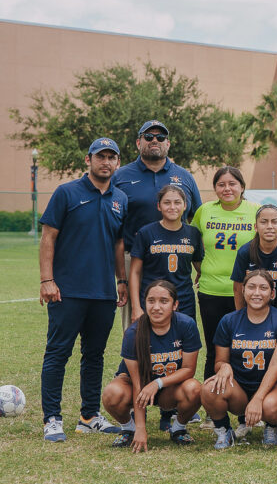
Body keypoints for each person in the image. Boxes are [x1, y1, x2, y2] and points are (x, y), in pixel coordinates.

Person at [39, 137, 128, 442]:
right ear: (88, 160)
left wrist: (121, 280)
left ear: (117, 162)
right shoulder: (67, 192)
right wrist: (47, 280)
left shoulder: (121, 199)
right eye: (100, 156)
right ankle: (52, 418)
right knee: (57, 353)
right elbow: (48, 236)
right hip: (67, 291)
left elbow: (118, 243)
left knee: (94, 355)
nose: (106, 162)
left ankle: (89, 416)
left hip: (103, 293)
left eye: (112, 157)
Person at [113, 120, 203, 316]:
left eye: (160, 137)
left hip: (176, 253)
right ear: (138, 143)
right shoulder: (120, 176)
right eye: (149, 137)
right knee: (137, 320)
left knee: (179, 320)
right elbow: (112, 224)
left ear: (168, 144)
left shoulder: (184, 176)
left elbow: (197, 217)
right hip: (134, 258)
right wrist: (121, 277)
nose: (155, 140)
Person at [100, 280, 203, 451]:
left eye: (164, 301)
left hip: (168, 387)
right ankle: (128, 428)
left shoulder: (186, 325)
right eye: (151, 301)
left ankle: (178, 428)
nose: (156, 307)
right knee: (112, 393)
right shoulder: (134, 333)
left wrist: (158, 383)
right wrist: (141, 428)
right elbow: (138, 384)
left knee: (195, 389)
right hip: (136, 385)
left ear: (175, 305)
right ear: (144, 303)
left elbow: (188, 370)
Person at [201, 270, 277, 449]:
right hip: (240, 388)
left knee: (271, 407)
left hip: (273, 386)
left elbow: (276, 364)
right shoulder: (229, 320)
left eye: (263, 288)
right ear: (243, 290)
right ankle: (224, 430)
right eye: (251, 287)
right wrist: (224, 367)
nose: (257, 293)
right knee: (208, 388)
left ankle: (272, 426)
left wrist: (258, 398)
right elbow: (219, 361)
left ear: (272, 293)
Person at [191, 166, 259, 382]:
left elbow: (274, 242)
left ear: (242, 186)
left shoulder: (256, 210)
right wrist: (202, 270)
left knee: (244, 346)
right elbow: (191, 243)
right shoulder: (205, 210)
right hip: (211, 290)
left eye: (232, 184)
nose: (227, 188)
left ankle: (244, 409)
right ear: (215, 188)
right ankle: (213, 408)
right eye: (221, 184)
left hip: (248, 292)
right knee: (214, 348)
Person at [129, 185, 204, 321]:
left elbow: (200, 267)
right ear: (159, 206)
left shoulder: (193, 233)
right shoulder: (146, 232)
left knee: (182, 340)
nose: (172, 207)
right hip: (153, 300)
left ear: (185, 205)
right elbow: (135, 272)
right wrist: (136, 307)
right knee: (151, 341)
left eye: (177, 202)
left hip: (184, 300)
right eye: (167, 202)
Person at [231, 204, 277, 316]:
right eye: (263, 222)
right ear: (256, 227)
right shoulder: (245, 252)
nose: (269, 226)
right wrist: (241, 316)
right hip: (251, 310)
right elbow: (237, 289)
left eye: (274, 222)